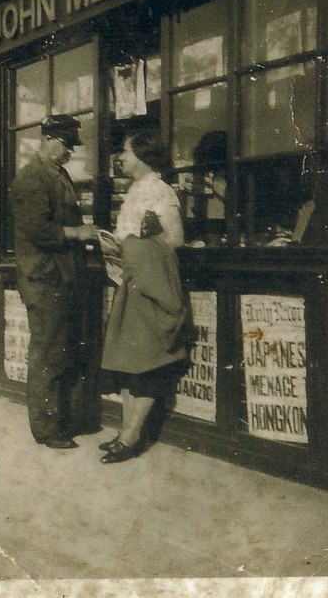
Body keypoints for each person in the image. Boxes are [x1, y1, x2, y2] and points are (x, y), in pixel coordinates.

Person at [99, 130, 189, 464]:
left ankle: (131, 436)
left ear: (142, 154)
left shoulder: (159, 191)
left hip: (149, 285)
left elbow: (175, 239)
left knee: (147, 361)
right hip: (130, 281)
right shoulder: (136, 190)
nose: (120, 157)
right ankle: (124, 432)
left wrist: (137, 250)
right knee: (126, 361)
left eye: (124, 151)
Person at [10, 115, 98, 449]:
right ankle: (47, 430)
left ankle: (66, 421)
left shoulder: (57, 175)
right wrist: (79, 232)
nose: (70, 153)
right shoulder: (31, 179)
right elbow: (39, 231)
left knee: (66, 352)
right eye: (66, 145)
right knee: (48, 354)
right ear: (48, 140)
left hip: (63, 278)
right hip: (45, 280)